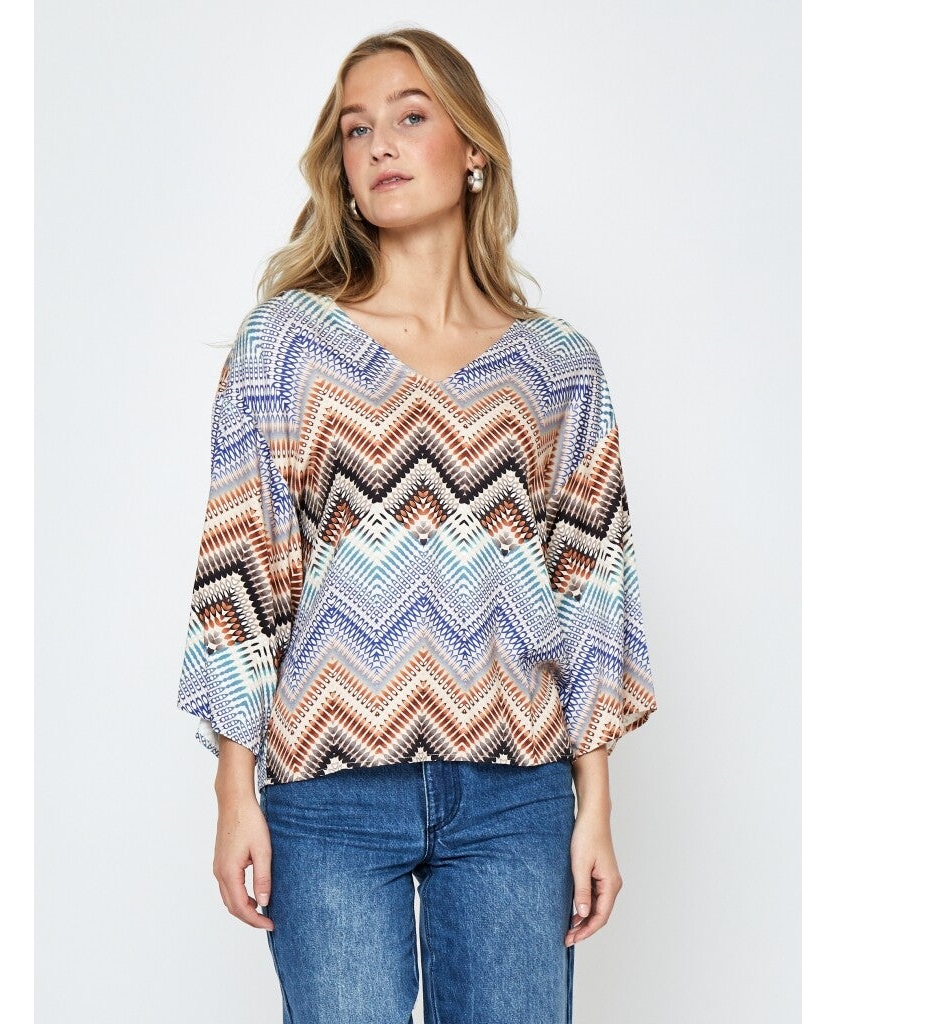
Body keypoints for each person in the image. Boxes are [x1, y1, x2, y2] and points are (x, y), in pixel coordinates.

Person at [176, 26, 657, 1024]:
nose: (380, 145)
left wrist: (596, 807)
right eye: (357, 130)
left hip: (514, 794)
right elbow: (244, 570)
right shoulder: (288, 344)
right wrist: (233, 792)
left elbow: (590, 587)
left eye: (409, 116)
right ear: (342, 169)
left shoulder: (557, 366)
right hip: (329, 796)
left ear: (472, 148)